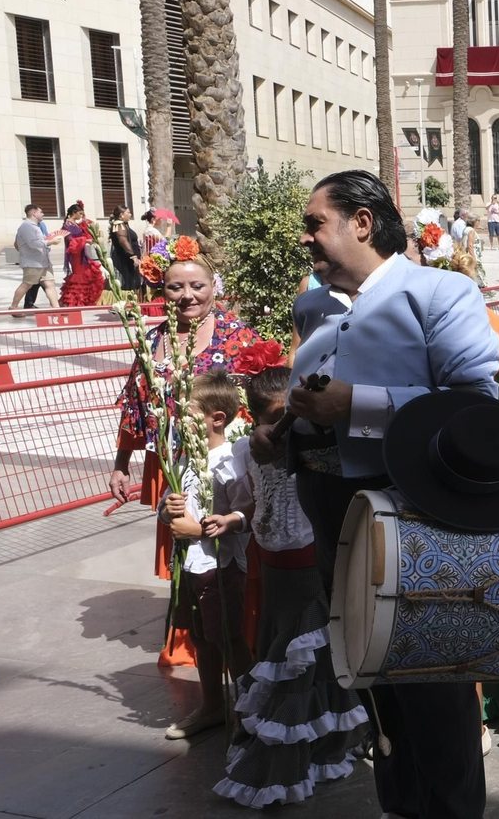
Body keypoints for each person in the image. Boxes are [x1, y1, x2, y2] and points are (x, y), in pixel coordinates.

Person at [248, 169, 498, 819]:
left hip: (411, 527)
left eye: (314, 224)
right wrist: (285, 429)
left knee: (433, 696)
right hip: (332, 518)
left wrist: (353, 405)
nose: (304, 238)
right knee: (374, 682)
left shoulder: (442, 293)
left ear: (362, 223)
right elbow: (316, 400)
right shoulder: (315, 306)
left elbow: (472, 405)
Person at [215, 359, 370, 807]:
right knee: (284, 655)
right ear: (255, 419)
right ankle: (305, 749)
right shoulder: (248, 449)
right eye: (275, 418)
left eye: (293, 414)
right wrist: (235, 519)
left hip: (307, 558)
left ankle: (305, 755)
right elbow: (250, 500)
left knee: (307, 659)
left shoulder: (316, 444)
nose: (285, 425)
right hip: (272, 564)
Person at [109, 238, 262, 668]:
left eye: (196, 286)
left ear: (214, 285)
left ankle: (237, 639)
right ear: (163, 292)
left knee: (228, 554)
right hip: (171, 467)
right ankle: (191, 642)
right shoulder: (152, 340)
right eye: (175, 288)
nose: (187, 296)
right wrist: (122, 463)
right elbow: (136, 405)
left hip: (227, 464)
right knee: (185, 554)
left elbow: (261, 401)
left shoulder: (239, 336)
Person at [156, 368, 253, 740]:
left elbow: (245, 515)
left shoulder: (231, 461)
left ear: (216, 418)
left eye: (188, 413)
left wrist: (199, 529)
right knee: (200, 635)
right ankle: (213, 705)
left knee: (228, 637)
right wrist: (168, 510)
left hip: (220, 566)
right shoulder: (182, 458)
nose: (179, 421)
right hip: (189, 565)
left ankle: (249, 709)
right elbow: (168, 501)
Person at [10, 204, 59, 311]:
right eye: (41, 212)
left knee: (50, 283)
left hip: (43, 262)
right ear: (34, 213)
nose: (43, 214)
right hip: (33, 262)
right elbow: (34, 243)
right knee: (27, 284)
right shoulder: (27, 227)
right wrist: (50, 242)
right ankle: (13, 306)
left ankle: (56, 308)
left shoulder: (37, 226)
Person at [59, 201, 106, 307]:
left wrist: (84, 218)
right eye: (80, 213)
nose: (81, 216)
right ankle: (75, 300)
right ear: (74, 213)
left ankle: (84, 299)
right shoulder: (67, 225)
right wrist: (85, 240)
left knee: (86, 272)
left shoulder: (74, 223)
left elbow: (86, 226)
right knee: (79, 275)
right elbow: (70, 240)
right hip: (75, 253)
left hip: (81, 252)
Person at [106, 206, 141, 292]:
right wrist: (133, 256)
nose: (130, 214)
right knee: (128, 284)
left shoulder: (123, 225)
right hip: (124, 260)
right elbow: (123, 241)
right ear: (122, 214)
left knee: (134, 283)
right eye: (128, 212)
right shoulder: (119, 225)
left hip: (128, 260)